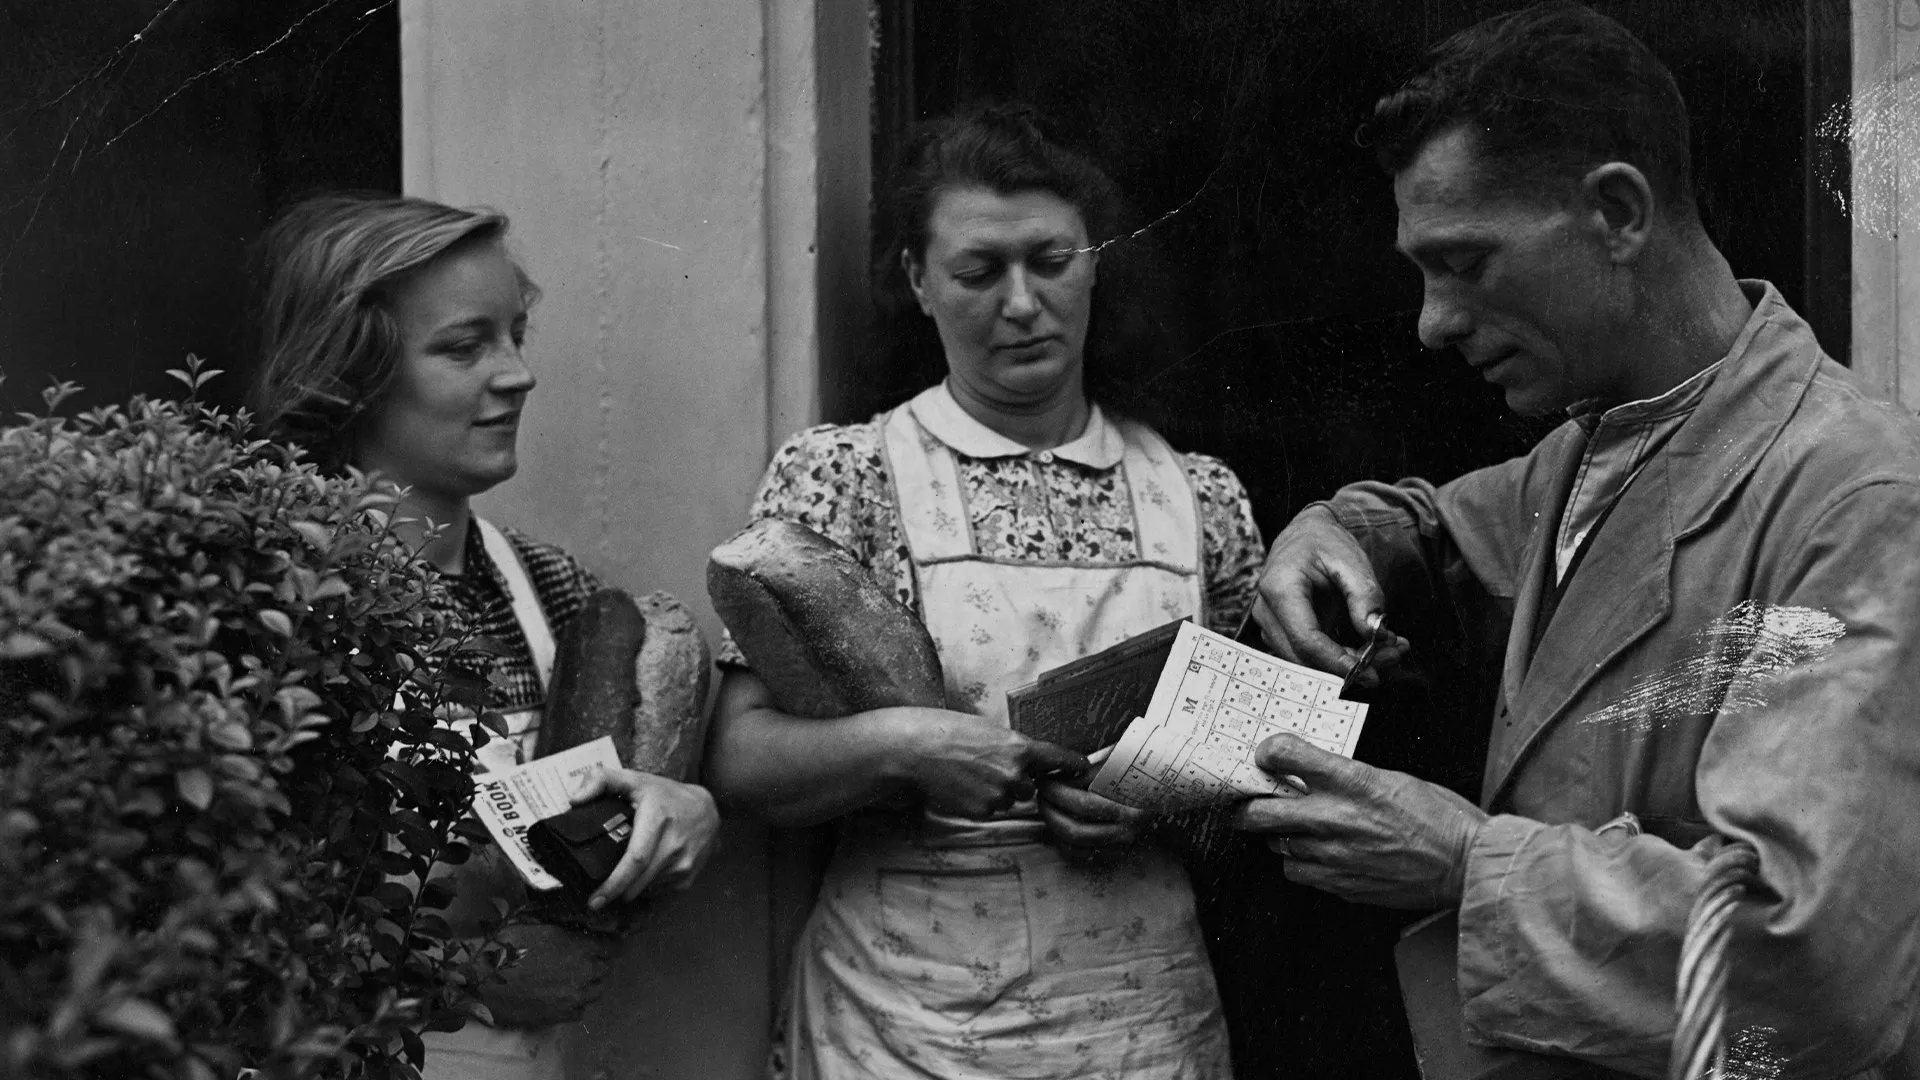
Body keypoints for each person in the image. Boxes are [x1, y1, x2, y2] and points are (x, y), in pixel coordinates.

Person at [1235, 3, 1920, 1076]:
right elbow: (1434, 524)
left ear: (1616, 212)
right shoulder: (1600, 445)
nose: (1431, 322)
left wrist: (1468, 863)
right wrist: (1333, 525)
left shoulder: (1861, 500)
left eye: (1465, 262)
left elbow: (1816, 962)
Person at [703, 105, 1263, 1079]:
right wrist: (908, 747)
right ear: (919, 281)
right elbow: (740, 760)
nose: (1021, 302)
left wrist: (1156, 801)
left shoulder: (1198, 493)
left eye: (1051, 260)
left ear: (1098, 260)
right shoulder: (847, 479)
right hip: (906, 1027)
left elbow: (1259, 760)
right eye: (977, 271)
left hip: (1142, 1027)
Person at [248, 192, 722, 1080]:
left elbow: (611, 823)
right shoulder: (272, 595)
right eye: (466, 347)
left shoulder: (557, 590)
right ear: (350, 372)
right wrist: (448, 974)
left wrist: (687, 813)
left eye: (515, 336)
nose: (516, 374)